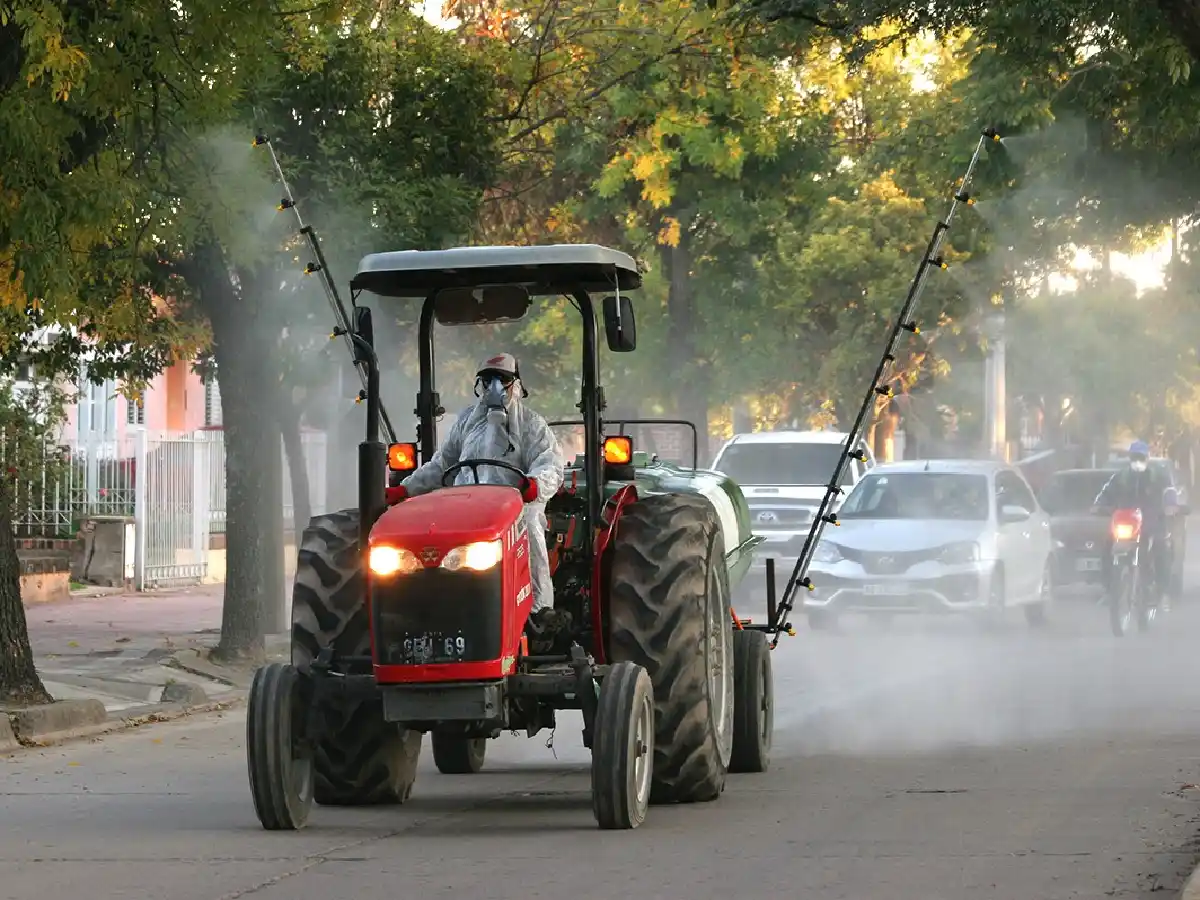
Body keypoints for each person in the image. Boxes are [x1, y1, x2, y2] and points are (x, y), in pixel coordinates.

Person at [385, 353, 569, 640]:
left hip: (514, 507)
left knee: (531, 522)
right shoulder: (467, 422)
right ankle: (421, 606)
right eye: (487, 380)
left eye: (502, 380)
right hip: (464, 504)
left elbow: (550, 464)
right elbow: (441, 464)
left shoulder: (531, 425)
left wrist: (533, 484)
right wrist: (406, 489)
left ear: (515, 385)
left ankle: (538, 608)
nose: (494, 386)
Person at [1092, 440, 1174, 609]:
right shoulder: (1120, 477)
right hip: (1127, 523)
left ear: (1147, 458)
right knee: (1108, 548)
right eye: (1135, 457)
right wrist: (1098, 504)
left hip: (1151, 522)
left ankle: (1162, 592)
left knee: (1161, 549)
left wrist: (1170, 505)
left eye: (1141, 457)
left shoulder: (1158, 476)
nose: (1138, 460)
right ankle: (1110, 590)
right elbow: (1105, 492)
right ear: (1130, 458)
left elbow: (1170, 492)